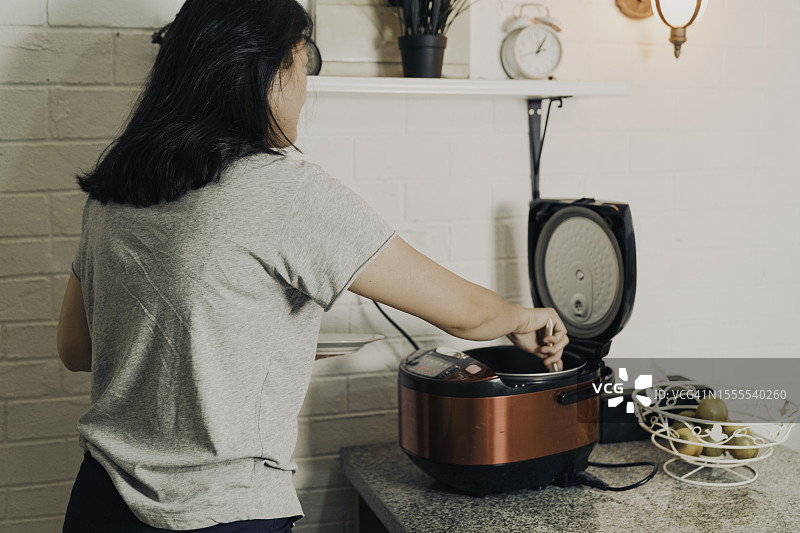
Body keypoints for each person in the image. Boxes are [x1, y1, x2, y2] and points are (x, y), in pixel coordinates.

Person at [56, 0, 568, 531]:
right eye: (303, 66)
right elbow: (467, 313)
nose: (305, 91)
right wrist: (521, 317)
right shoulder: (282, 190)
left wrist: (246, 348)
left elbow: (77, 348)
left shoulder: (115, 188)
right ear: (266, 73)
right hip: (222, 511)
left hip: (101, 502)